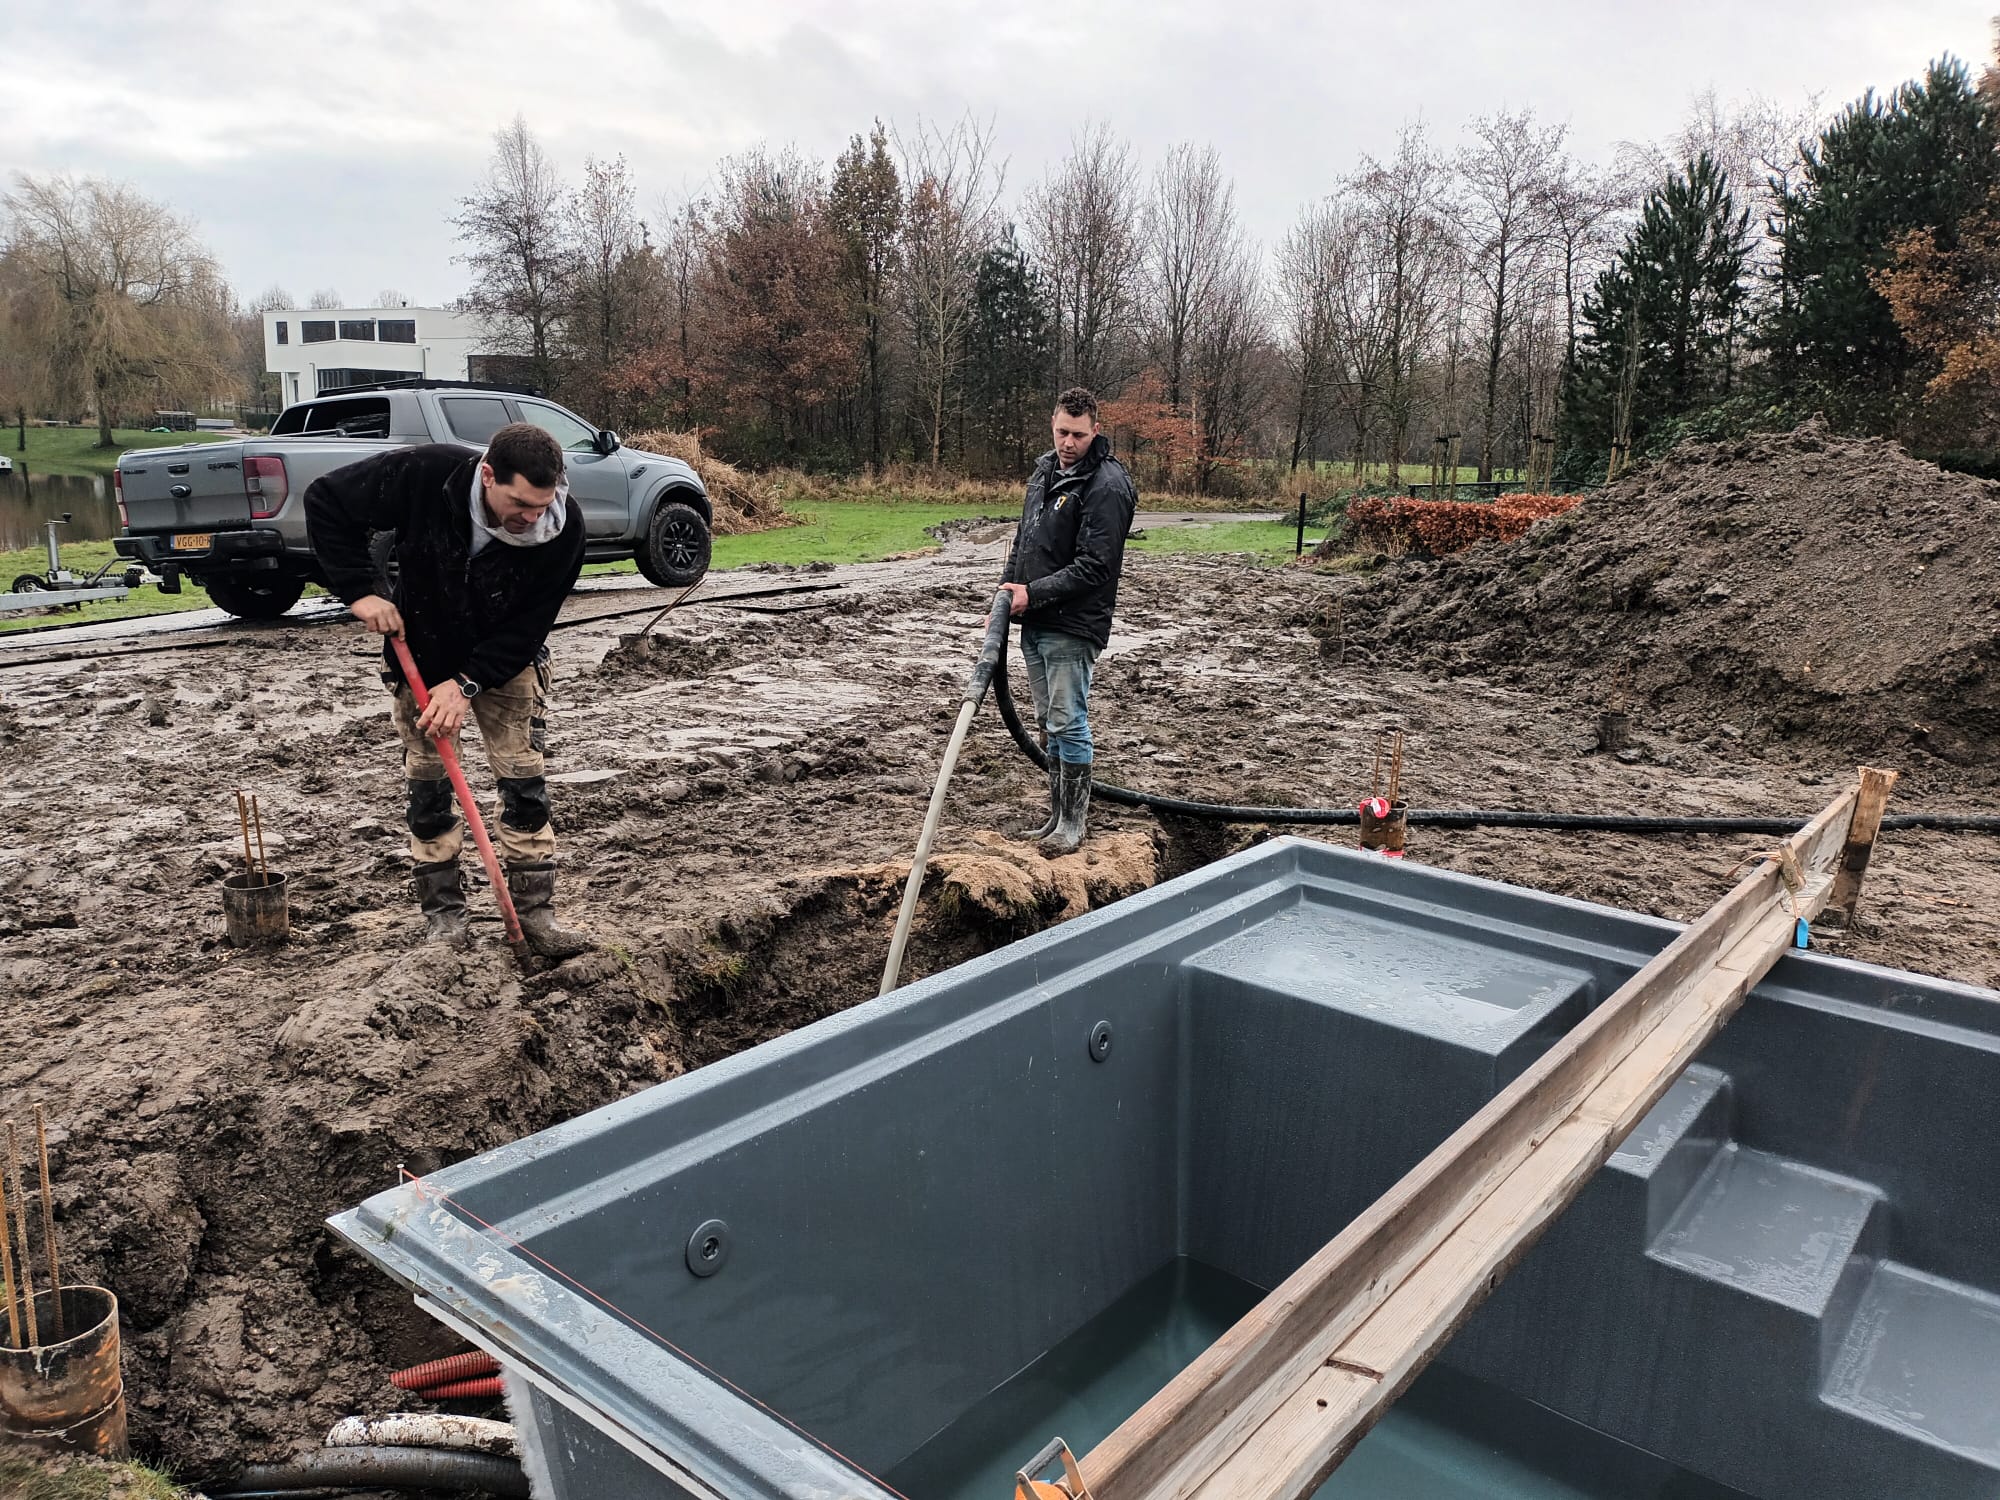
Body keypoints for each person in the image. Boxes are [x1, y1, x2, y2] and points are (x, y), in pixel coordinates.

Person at [305, 423, 591, 955]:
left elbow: (531, 624)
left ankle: (536, 919)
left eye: (541, 504)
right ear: (488, 475)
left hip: (507, 663)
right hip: (421, 652)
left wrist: (465, 684)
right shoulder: (426, 475)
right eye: (519, 502)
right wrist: (359, 592)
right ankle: (445, 918)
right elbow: (326, 501)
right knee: (429, 785)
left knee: (524, 781)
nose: (531, 517)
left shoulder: (563, 528)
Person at [999, 387, 1138, 855]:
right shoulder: (1044, 472)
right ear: (1052, 425)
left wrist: (1032, 593)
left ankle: (1073, 823)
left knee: (1068, 720)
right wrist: (1006, 592)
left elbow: (1096, 566)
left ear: (1095, 430)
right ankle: (1056, 816)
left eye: (1078, 434)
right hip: (1036, 618)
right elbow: (1025, 539)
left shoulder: (1107, 485)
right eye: (1062, 431)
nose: (1068, 442)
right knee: (1049, 721)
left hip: (1073, 624)